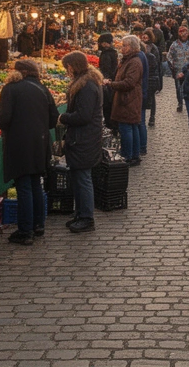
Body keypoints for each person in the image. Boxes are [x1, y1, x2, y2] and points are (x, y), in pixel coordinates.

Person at [0, 59, 59, 245]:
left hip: (19, 143)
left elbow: (2, 119)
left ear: (19, 72)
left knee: (23, 185)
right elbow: (53, 118)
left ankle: (25, 231)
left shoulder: (11, 89)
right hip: (39, 143)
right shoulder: (42, 89)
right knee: (35, 184)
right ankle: (38, 225)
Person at [59, 51, 103, 233]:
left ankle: (87, 218)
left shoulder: (86, 87)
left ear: (72, 66)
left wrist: (64, 117)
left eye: (67, 68)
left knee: (83, 178)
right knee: (78, 177)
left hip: (84, 139)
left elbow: (83, 116)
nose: (67, 72)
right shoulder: (86, 83)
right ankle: (80, 214)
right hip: (82, 138)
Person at [105, 35, 145, 166]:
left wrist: (112, 84)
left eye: (124, 45)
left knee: (127, 127)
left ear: (131, 47)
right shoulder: (129, 60)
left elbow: (129, 82)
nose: (121, 48)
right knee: (131, 126)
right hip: (129, 99)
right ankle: (134, 154)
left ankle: (128, 155)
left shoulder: (134, 62)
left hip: (128, 99)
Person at [167, 26, 189, 113]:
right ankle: (180, 103)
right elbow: (169, 56)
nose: (183, 35)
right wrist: (172, 65)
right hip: (178, 69)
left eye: (185, 33)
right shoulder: (174, 44)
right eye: (181, 33)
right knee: (178, 88)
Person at [98, 33, 119, 127]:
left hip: (108, 84)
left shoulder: (106, 54)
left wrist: (104, 80)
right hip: (112, 82)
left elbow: (106, 70)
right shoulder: (113, 52)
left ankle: (110, 127)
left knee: (107, 107)